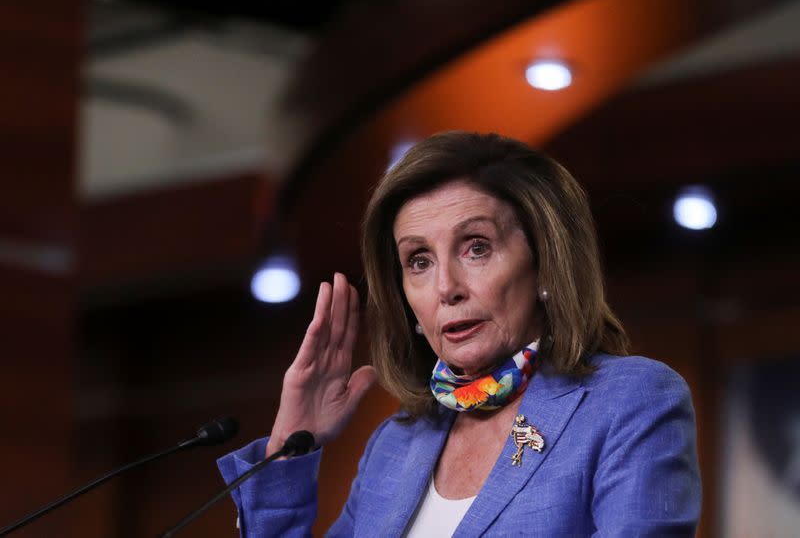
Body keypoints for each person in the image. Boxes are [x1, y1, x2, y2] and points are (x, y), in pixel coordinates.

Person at [217, 131, 701, 536]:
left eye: (476, 248)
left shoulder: (629, 401)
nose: (446, 287)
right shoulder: (396, 445)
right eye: (419, 261)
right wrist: (288, 447)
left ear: (547, 263)